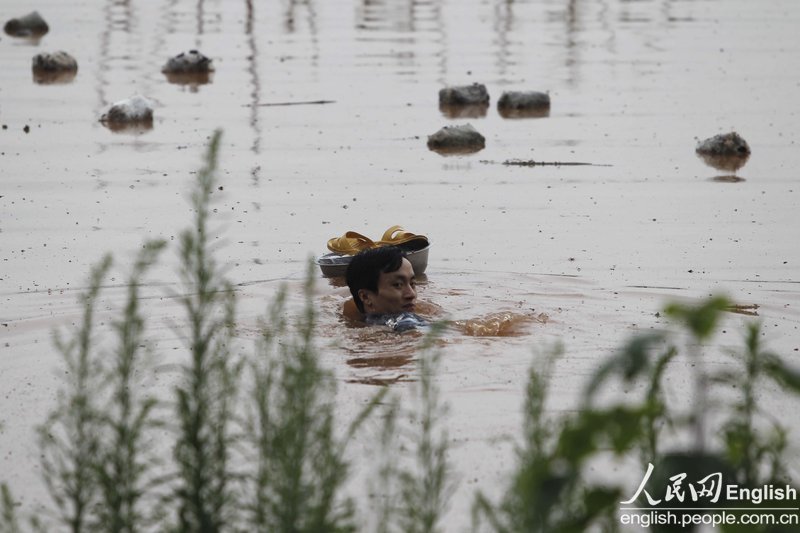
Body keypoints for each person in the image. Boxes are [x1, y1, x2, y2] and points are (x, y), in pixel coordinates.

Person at [345, 246, 428, 332]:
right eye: (397, 285)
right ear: (365, 297)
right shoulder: (407, 325)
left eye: (412, 284)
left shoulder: (347, 318)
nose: (411, 294)